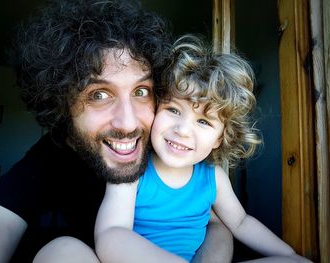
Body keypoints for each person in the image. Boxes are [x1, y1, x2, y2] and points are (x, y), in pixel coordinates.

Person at [0, 1, 233, 263]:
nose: (128, 123)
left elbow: (215, 222)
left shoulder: (166, 147)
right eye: (98, 95)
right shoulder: (52, 154)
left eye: (141, 91)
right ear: (62, 103)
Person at [94, 35, 313, 263]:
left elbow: (240, 222)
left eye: (203, 122)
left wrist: (290, 255)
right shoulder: (132, 168)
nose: (183, 130)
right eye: (173, 110)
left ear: (221, 138)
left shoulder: (213, 178)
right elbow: (112, 233)